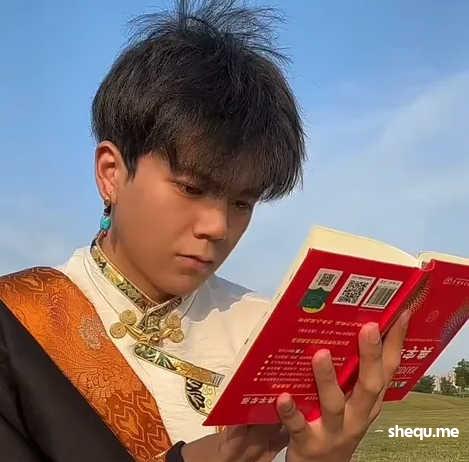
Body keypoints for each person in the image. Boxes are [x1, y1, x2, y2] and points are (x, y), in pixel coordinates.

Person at [0, 1, 410, 461]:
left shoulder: (265, 333)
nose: (218, 227)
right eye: (192, 188)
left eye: (242, 203)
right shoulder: (18, 324)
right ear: (111, 173)